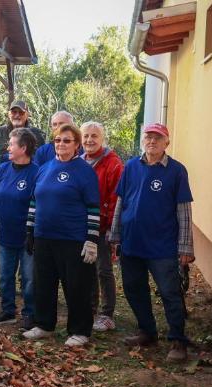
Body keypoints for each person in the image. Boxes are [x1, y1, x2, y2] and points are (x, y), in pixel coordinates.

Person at [109, 123, 194, 362]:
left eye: (158, 138)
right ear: (142, 140)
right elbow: (120, 202)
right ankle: (147, 331)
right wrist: (115, 234)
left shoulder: (177, 171)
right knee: (134, 289)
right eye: (148, 137)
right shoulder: (131, 167)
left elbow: (184, 211)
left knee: (170, 292)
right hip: (132, 243)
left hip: (162, 246)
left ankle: (178, 340)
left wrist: (186, 246)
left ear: (167, 142)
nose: (152, 141)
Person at [22, 124, 100, 346]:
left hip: (73, 239)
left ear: (76, 144)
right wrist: (30, 231)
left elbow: (93, 208)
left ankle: (80, 330)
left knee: (76, 286)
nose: (61, 144)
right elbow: (34, 201)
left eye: (67, 140)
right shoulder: (44, 168)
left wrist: (92, 240)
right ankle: (45, 325)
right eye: (58, 140)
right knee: (43, 284)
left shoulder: (85, 171)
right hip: (44, 237)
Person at [0, 128, 39, 329]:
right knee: (5, 275)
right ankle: (8, 310)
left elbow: (39, 205)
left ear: (23, 148)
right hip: (5, 234)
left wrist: (33, 233)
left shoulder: (36, 173)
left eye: (11, 144)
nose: (8, 147)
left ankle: (29, 314)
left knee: (29, 278)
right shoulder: (2, 170)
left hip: (27, 237)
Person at [80, 122, 123, 332]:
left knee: (103, 270)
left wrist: (110, 229)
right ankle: (90, 308)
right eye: (86, 136)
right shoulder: (79, 161)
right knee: (87, 268)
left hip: (103, 226)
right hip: (81, 225)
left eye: (94, 136)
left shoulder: (113, 164)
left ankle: (107, 314)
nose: (89, 140)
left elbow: (117, 199)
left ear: (102, 138)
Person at [0, 100, 45, 171]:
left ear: (27, 115)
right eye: (14, 112)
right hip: (3, 177)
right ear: (9, 114)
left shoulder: (38, 134)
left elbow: (43, 160)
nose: (17, 115)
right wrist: (4, 158)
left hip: (29, 177)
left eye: (21, 112)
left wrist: (22, 158)